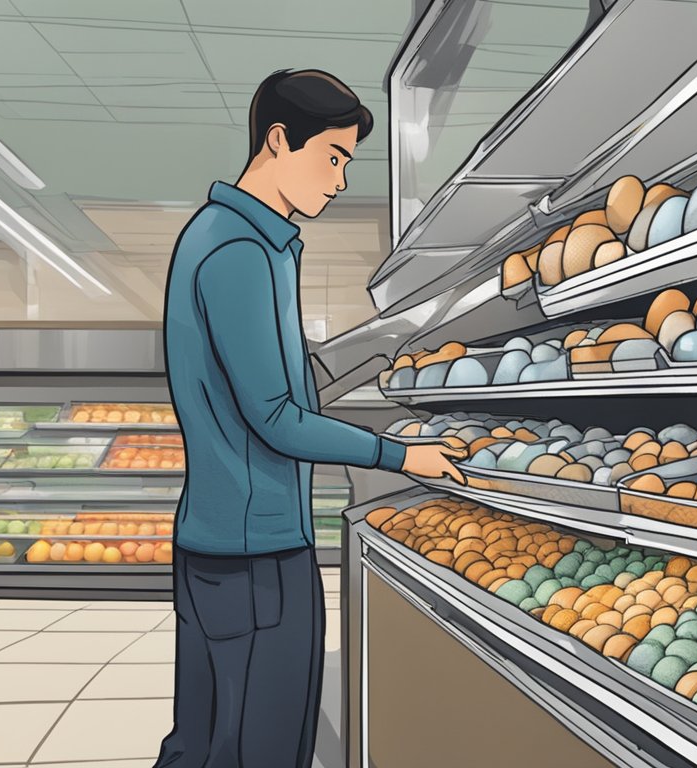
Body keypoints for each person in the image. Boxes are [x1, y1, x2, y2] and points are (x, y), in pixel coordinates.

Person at [157, 69, 463, 767]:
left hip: (217, 550)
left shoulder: (229, 237)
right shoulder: (239, 250)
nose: (339, 180)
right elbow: (276, 418)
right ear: (276, 141)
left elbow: (280, 381)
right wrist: (399, 455)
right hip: (256, 556)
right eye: (332, 157)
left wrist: (387, 342)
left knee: (202, 744)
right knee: (258, 750)